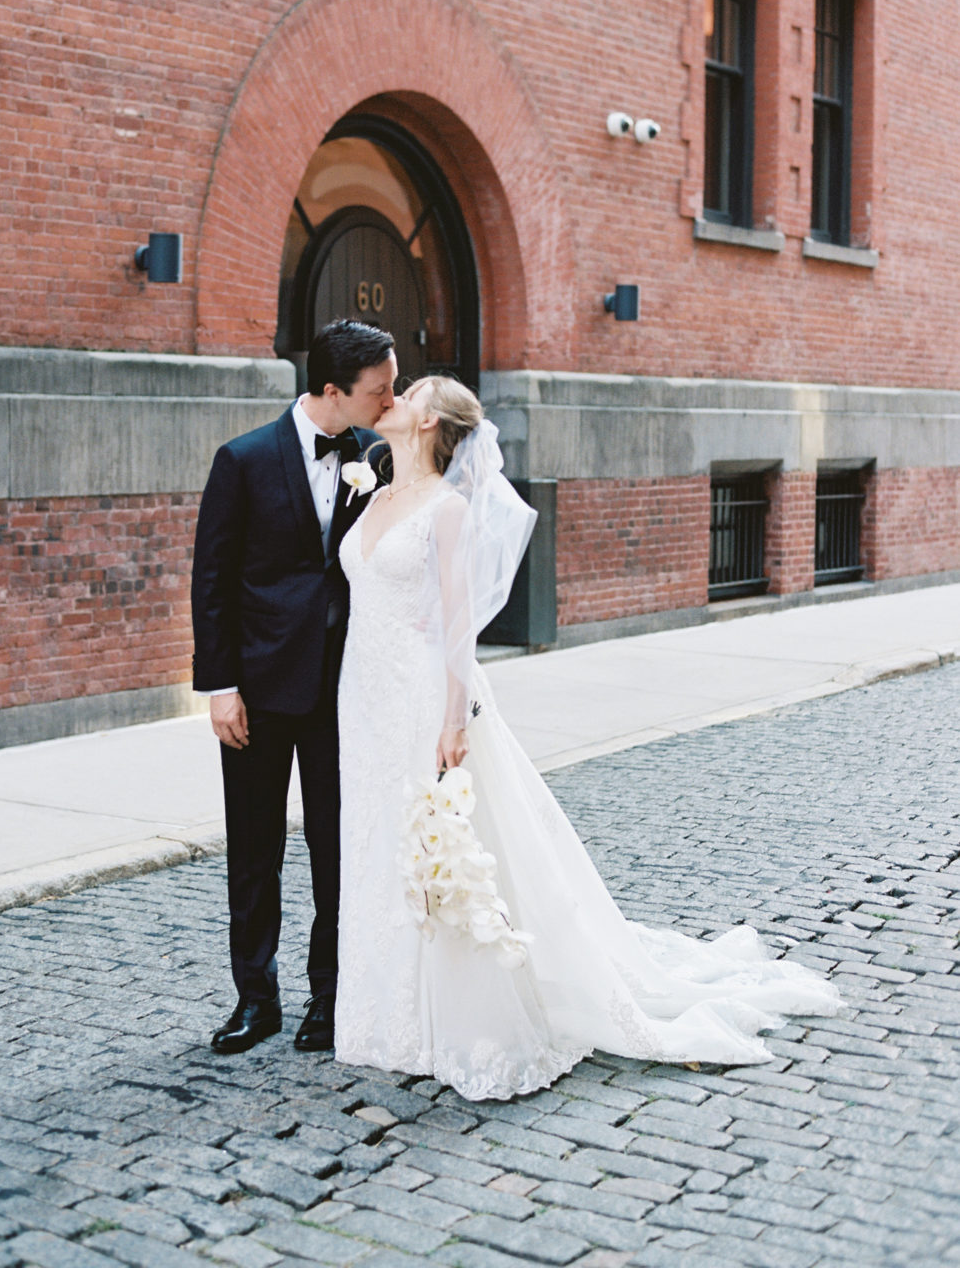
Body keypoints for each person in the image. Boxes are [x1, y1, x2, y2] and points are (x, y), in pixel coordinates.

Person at [335, 376, 841, 1101]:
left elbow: (455, 626)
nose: (396, 396)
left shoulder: (446, 510)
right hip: (367, 699)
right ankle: (382, 1012)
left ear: (430, 423)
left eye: (411, 392)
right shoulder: (376, 494)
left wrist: (452, 719)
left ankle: (449, 1018)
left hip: (422, 699)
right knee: (378, 838)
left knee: (438, 842)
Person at [191, 320, 396, 1055]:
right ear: (334, 390)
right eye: (380, 389)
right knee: (254, 850)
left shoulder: (379, 456)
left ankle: (330, 997)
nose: (391, 398)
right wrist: (219, 687)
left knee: (338, 847)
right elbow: (211, 582)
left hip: (347, 689)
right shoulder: (242, 460)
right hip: (257, 688)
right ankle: (256, 999)